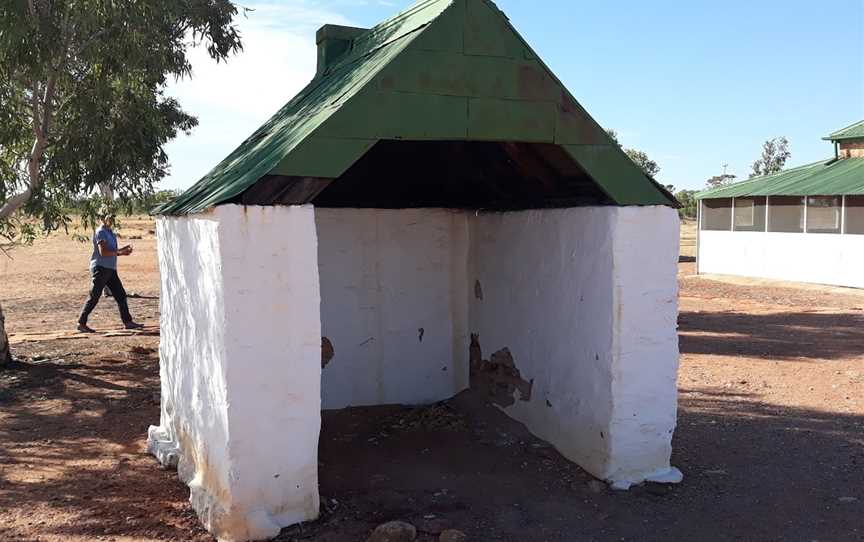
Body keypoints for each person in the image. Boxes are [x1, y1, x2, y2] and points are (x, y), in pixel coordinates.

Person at [77, 213, 144, 333]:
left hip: (110, 269)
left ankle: (128, 322)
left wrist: (123, 250)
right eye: (108, 218)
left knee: (120, 295)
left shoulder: (110, 232)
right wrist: (121, 253)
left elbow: (112, 251)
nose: (111, 220)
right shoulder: (101, 232)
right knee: (94, 296)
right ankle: (81, 323)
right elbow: (104, 253)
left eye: (112, 218)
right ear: (102, 219)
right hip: (101, 268)